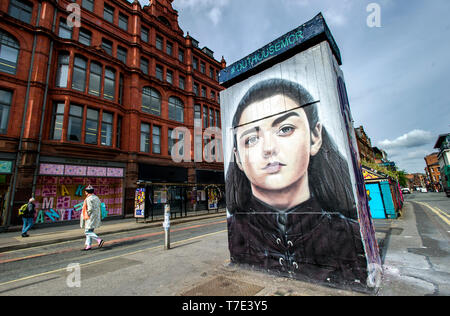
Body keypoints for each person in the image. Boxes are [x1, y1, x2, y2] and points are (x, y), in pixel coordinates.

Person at [226, 79, 367, 287]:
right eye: (251, 139)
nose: (268, 148)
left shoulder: (352, 236)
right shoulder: (233, 233)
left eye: (285, 129)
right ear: (238, 158)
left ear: (315, 136)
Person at [80, 185, 104, 251]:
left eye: (85, 192)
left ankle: (99, 240)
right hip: (96, 216)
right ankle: (88, 245)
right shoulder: (96, 197)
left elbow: (90, 209)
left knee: (87, 231)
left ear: (87, 192)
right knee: (90, 231)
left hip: (90, 217)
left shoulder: (88, 199)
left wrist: (86, 215)